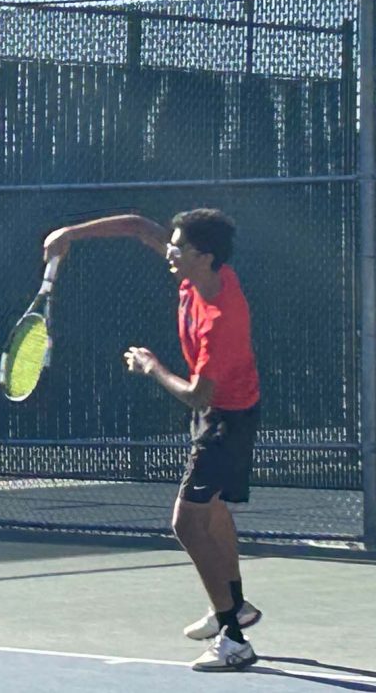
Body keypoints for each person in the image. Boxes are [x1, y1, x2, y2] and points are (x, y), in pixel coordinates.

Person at [43, 209, 261, 672]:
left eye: (178, 247)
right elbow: (138, 226)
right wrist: (69, 233)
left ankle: (233, 638)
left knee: (187, 523)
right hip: (225, 415)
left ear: (203, 257)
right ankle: (236, 605)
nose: (169, 250)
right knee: (215, 509)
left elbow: (196, 396)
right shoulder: (200, 273)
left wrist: (151, 366)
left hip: (224, 420)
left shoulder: (219, 319)